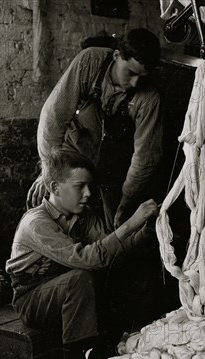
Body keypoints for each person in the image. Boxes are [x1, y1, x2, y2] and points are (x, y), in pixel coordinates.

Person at [6, 149, 158, 359]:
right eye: (80, 186)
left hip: (66, 293)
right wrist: (131, 224)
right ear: (54, 187)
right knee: (81, 277)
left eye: (89, 186)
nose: (88, 193)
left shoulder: (82, 216)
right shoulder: (37, 223)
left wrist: (146, 232)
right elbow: (90, 259)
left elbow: (113, 250)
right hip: (32, 299)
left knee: (124, 271)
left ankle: (104, 352)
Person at [27, 27, 163, 231]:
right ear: (117, 55)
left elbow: (144, 159)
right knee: (50, 206)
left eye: (141, 77)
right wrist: (48, 172)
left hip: (115, 167)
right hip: (75, 153)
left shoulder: (149, 98)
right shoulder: (89, 62)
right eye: (131, 73)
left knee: (114, 228)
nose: (135, 83)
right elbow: (53, 117)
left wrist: (125, 203)